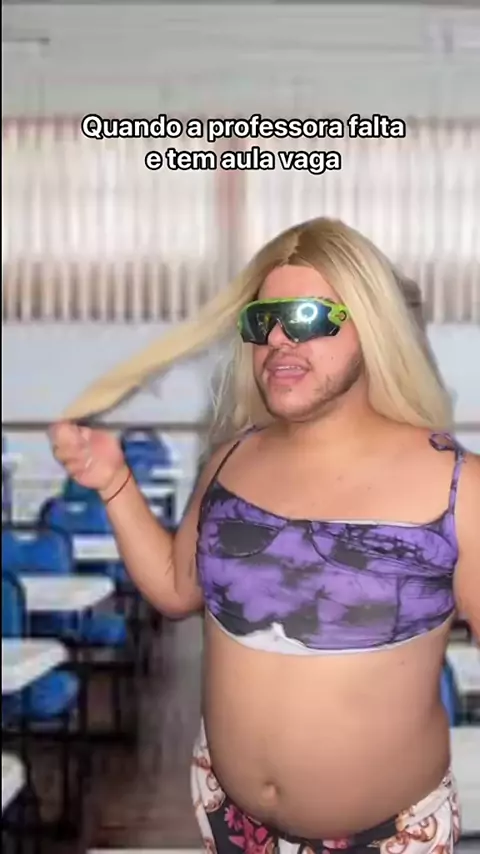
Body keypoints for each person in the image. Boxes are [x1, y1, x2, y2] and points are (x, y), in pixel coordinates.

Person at [50, 217, 479, 854]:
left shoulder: (457, 487)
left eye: (306, 316)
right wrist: (114, 481)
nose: (278, 338)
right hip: (228, 820)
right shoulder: (233, 459)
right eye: (263, 320)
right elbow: (175, 589)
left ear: (373, 324)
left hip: (390, 837)